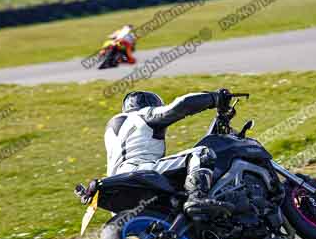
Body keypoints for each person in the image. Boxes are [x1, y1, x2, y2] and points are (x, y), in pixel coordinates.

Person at [77, 90, 234, 219]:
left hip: (117, 187)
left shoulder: (112, 129)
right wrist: (215, 98)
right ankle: (197, 198)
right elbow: (180, 106)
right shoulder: (141, 115)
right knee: (202, 153)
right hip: (139, 170)